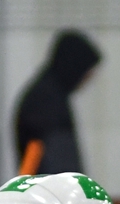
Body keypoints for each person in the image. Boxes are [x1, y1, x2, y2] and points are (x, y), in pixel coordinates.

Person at [15, 31, 101, 176]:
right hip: (50, 191)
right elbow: (56, 159)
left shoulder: (46, 95)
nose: (87, 80)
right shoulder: (47, 102)